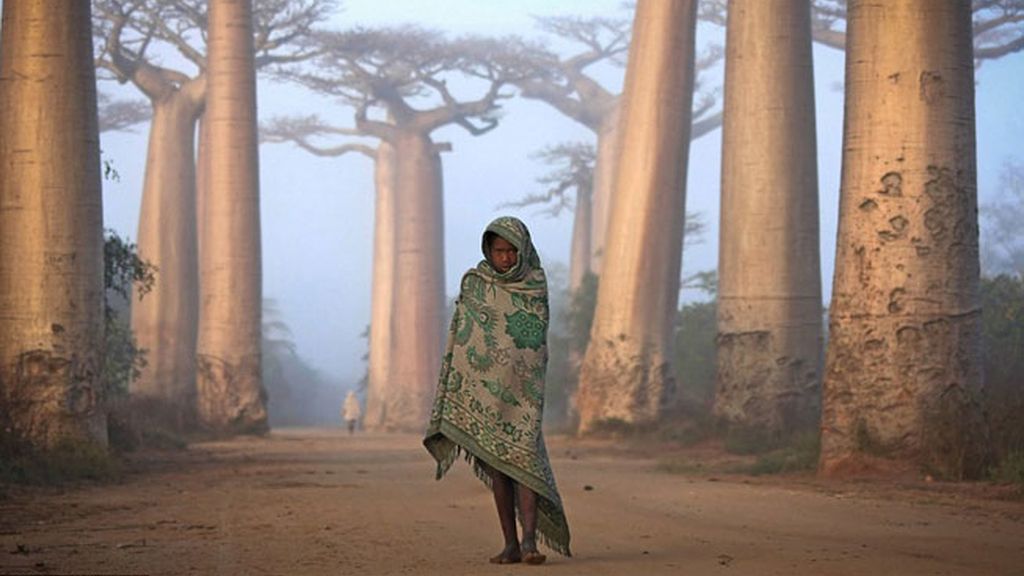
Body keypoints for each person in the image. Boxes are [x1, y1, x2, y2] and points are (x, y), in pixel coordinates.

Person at [424, 216, 571, 565]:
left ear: (523, 251)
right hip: (485, 394)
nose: (504, 258)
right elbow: (462, 338)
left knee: (525, 463)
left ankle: (531, 541)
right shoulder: (476, 284)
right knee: (499, 471)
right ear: (488, 251)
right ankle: (511, 544)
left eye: (510, 251)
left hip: (524, 392)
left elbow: (534, 339)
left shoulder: (534, 284)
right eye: (498, 251)